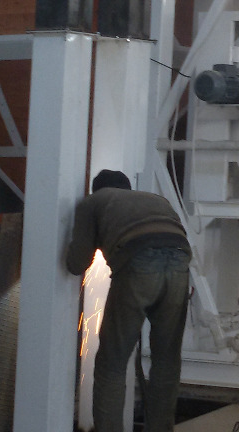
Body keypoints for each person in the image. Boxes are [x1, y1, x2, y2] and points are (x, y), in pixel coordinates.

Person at [66, 170, 192, 432]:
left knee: (111, 363)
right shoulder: (157, 200)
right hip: (180, 266)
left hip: (138, 265)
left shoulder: (93, 202)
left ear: (98, 189)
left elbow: (77, 263)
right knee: (166, 360)